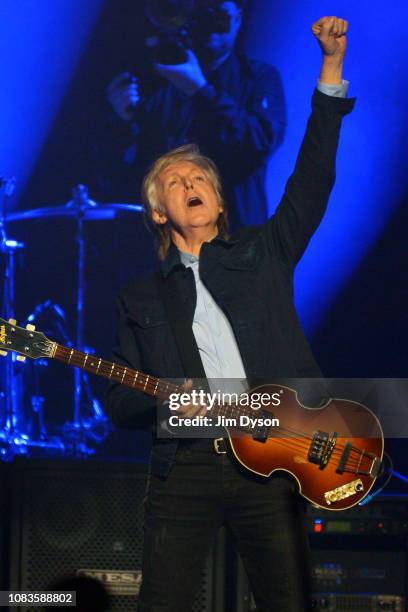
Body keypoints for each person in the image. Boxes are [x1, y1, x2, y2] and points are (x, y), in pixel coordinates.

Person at [105, 15, 354, 611]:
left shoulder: (262, 255)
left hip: (271, 463)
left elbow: (312, 177)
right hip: (184, 469)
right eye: (173, 180)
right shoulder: (140, 297)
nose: (188, 182)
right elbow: (119, 402)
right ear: (159, 212)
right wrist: (162, 396)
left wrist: (331, 68)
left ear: (218, 201)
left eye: (199, 178)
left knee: (287, 601)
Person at [103, 0, 286, 229]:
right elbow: (121, 175)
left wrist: (200, 90)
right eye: (200, 13)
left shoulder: (258, 77)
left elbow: (258, 143)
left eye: (218, 14)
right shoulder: (158, 83)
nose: (208, 23)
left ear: (238, 18)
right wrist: (124, 123)